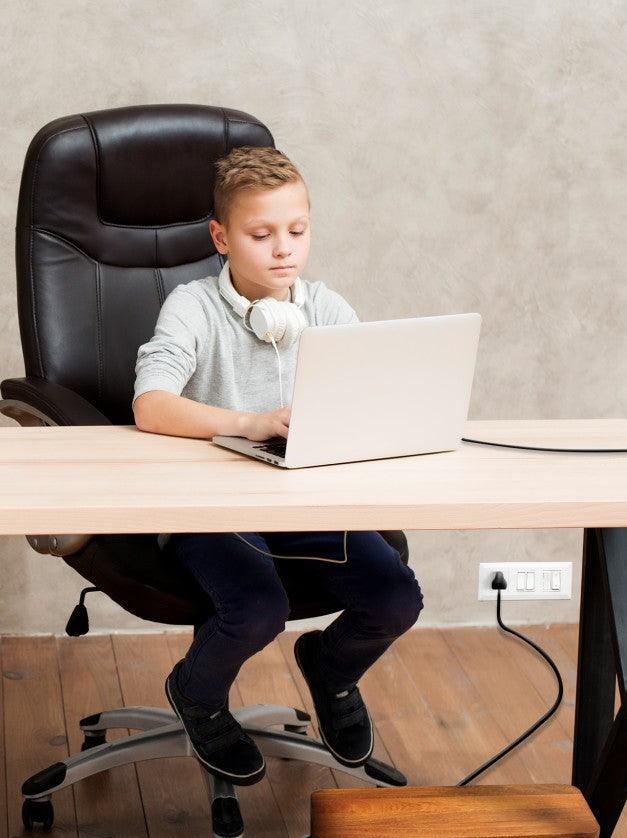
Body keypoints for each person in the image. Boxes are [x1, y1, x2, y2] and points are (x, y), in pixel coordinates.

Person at [132, 146, 424, 786]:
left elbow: (376, 392)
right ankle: (198, 692)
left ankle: (330, 667)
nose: (283, 250)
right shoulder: (192, 307)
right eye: (261, 235)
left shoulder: (322, 308)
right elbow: (151, 405)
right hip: (211, 511)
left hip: (304, 502)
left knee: (397, 597)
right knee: (257, 609)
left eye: (297, 232)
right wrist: (249, 423)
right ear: (221, 238)